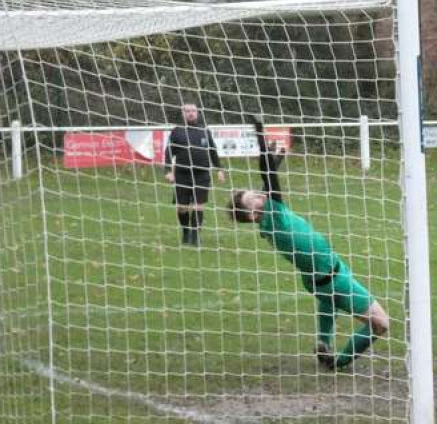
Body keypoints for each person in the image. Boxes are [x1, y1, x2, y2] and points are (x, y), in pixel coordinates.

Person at [229, 120, 389, 371]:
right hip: (333, 278)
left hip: (325, 274)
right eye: (254, 199)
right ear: (252, 215)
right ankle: (338, 362)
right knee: (380, 323)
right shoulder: (274, 217)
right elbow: (269, 179)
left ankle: (323, 342)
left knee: (329, 300)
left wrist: (276, 159)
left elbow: (267, 186)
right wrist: (260, 136)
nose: (260, 196)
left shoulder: (267, 221)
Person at [164, 102, 225, 246]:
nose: (191, 113)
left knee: (199, 206)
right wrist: (168, 171)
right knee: (182, 208)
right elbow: (168, 152)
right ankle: (186, 232)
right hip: (182, 174)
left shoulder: (204, 131)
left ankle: (195, 236)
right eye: (188, 111)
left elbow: (213, 151)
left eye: (193, 111)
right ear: (183, 114)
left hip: (202, 174)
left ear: (197, 113)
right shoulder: (177, 131)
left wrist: (220, 169)